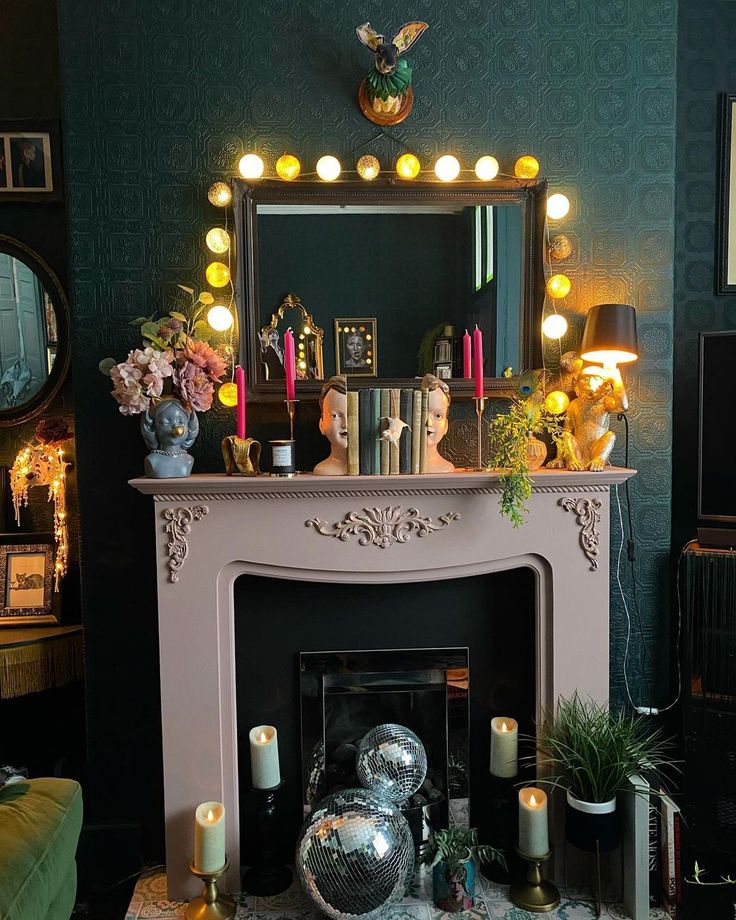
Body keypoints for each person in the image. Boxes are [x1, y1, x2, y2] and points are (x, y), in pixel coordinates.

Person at [313, 375, 348, 475]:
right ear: (321, 424)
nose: (346, 424)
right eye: (335, 415)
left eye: (352, 415)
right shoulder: (323, 470)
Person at [422, 373, 455, 473]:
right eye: (422, 413)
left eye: (438, 416)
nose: (429, 423)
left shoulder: (446, 468)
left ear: (446, 426)